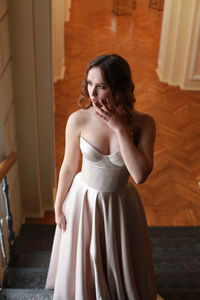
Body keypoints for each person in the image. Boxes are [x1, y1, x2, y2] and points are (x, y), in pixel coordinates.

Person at [45, 54, 164, 300]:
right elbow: (68, 166)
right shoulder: (78, 119)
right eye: (89, 83)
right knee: (85, 259)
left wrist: (120, 128)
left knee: (116, 258)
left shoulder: (144, 124)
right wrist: (58, 206)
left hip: (120, 205)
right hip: (82, 201)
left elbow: (140, 175)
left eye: (101, 86)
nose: (92, 93)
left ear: (119, 88)